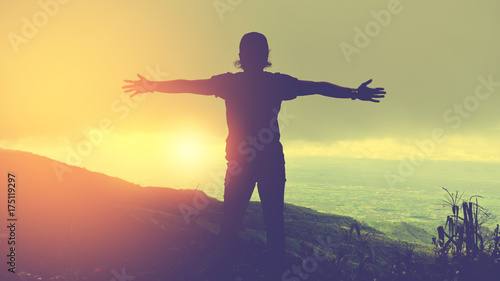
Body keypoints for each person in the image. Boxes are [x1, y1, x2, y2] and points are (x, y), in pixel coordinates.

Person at [123, 32, 385, 280]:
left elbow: (190, 86)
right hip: (271, 163)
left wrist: (153, 86)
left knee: (231, 224)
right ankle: (273, 275)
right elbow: (318, 87)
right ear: (265, 55)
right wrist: (353, 93)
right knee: (274, 225)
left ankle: (219, 272)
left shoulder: (230, 83)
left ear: (241, 55)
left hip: (239, 165)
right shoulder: (277, 83)